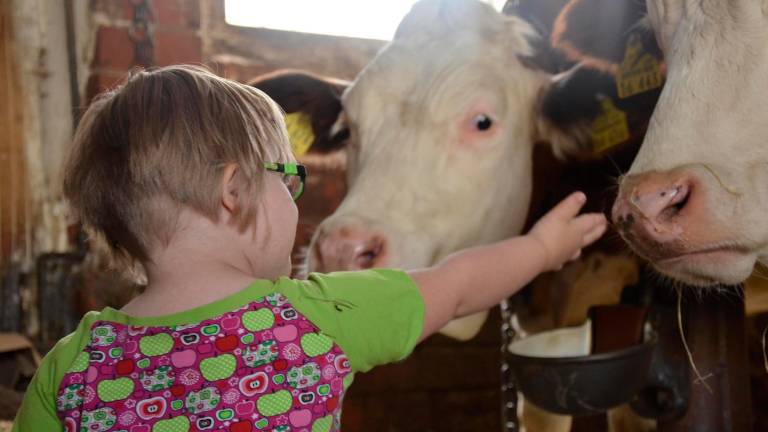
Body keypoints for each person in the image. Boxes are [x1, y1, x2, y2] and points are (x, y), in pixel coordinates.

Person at [13, 65, 606, 431]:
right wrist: (540, 246)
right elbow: (457, 287)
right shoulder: (312, 319)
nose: (297, 200)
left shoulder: (70, 367)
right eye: (289, 178)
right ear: (234, 192)